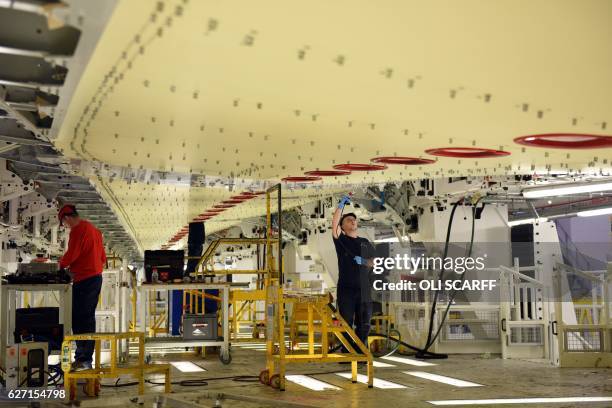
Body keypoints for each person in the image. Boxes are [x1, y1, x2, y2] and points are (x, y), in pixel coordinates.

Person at [58, 204, 106, 371]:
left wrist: (60, 266)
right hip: (95, 278)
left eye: (64, 223)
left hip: (85, 280)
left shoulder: (77, 230)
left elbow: (72, 254)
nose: (66, 227)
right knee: (87, 318)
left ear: (67, 218)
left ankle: (83, 359)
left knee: (79, 319)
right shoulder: (94, 230)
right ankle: (84, 358)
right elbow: (102, 257)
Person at [331, 195, 375, 352]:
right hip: (346, 289)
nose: (352, 221)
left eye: (354, 219)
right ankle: (347, 351)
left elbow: (375, 262)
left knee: (365, 323)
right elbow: (334, 224)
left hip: (364, 289)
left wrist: (363, 262)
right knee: (346, 322)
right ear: (343, 226)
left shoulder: (365, 242)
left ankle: (361, 350)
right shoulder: (341, 241)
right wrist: (341, 204)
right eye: (348, 220)